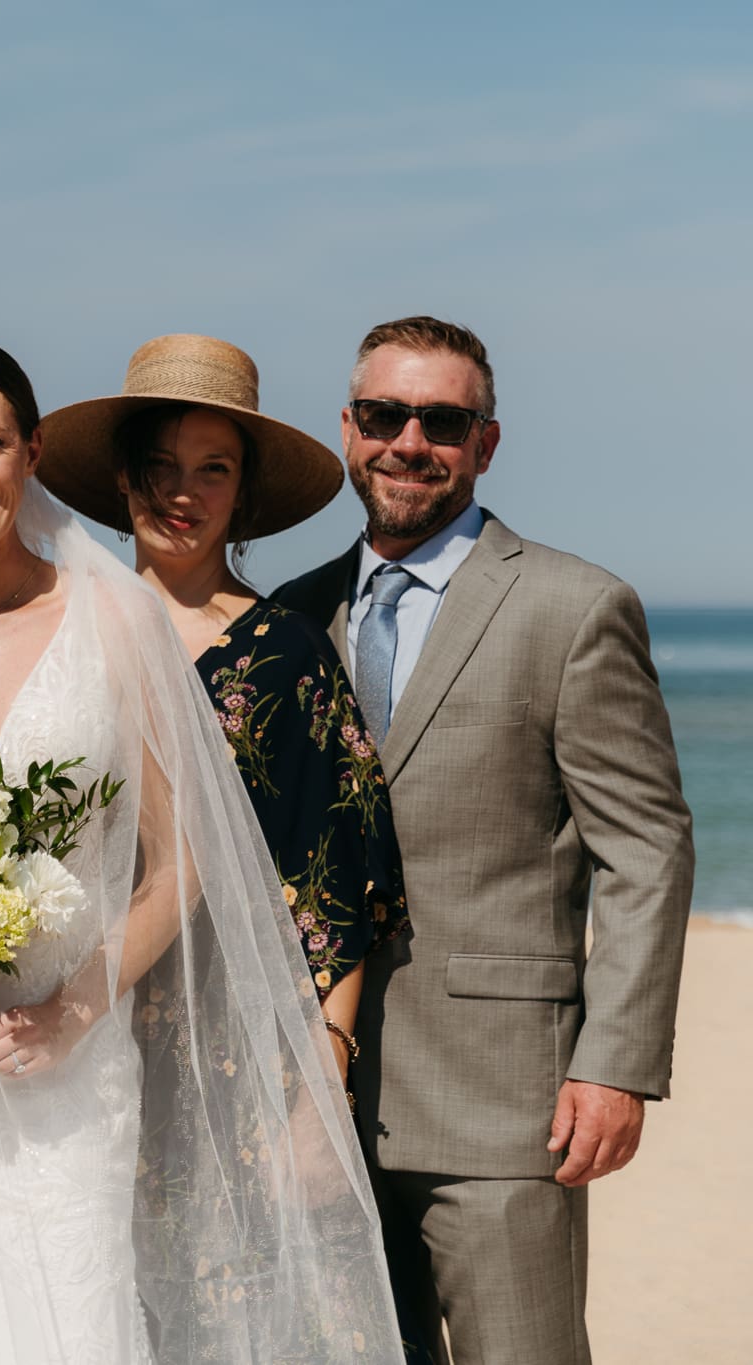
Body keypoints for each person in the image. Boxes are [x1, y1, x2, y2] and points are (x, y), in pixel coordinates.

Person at [0, 339, 396, 1363]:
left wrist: (78, 1005)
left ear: (30, 453)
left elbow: (188, 857)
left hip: (67, 1076)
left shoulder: (115, 623)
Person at [275, 316, 695, 1365]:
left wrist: (614, 1065)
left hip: (507, 1106)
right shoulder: (288, 617)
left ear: (484, 442)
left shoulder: (571, 607)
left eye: (442, 420)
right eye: (383, 415)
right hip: (312, 1109)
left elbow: (643, 849)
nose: (408, 441)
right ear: (345, 428)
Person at [37, 333, 409, 1088]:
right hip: (55, 1030)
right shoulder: (49, 633)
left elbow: (335, 886)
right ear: (121, 476)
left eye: (214, 470)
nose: (183, 493)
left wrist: (322, 1082)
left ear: (243, 493)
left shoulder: (288, 655)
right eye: (161, 466)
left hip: (237, 1054)